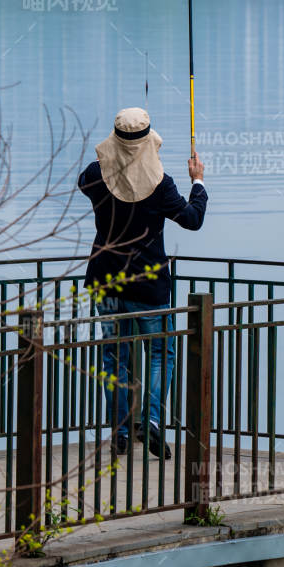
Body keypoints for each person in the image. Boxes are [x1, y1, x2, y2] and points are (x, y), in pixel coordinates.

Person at [79, 107, 207, 457]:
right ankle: (149, 421)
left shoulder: (96, 176)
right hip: (149, 286)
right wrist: (197, 180)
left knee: (113, 357)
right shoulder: (160, 184)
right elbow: (192, 219)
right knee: (161, 354)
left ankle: (120, 430)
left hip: (106, 282)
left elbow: (84, 180)